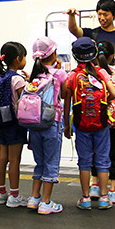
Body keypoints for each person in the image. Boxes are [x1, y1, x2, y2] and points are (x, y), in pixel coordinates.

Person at [66, 0, 115, 190]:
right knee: (98, 134)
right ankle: (98, 177)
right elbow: (75, 31)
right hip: (94, 96)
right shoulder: (93, 33)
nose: (101, 17)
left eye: (105, 14)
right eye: (99, 14)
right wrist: (72, 17)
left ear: (114, 14)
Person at [64, 37, 115, 210]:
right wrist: (105, 100)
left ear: (74, 56)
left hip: (81, 125)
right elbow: (114, 92)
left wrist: (67, 125)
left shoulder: (72, 76)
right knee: (103, 159)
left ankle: (86, 198)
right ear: (95, 53)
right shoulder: (101, 72)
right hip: (101, 123)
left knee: (84, 161)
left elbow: (67, 102)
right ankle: (104, 197)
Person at [26, 37, 68, 215]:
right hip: (53, 122)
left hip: (34, 124)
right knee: (51, 162)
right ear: (54, 54)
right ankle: (46, 202)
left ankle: (34, 198)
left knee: (40, 162)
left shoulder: (34, 74)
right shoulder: (59, 74)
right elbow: (65, 95)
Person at [0, 42, 30, 208]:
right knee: (15, 160)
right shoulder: (17, 79)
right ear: (18, 59)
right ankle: (14, 195)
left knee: (3, 157)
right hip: (15, 124)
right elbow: (25, 103)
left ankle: (0, 193)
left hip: (1, 122)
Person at [89, 40, 115, 204]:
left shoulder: (91, 71)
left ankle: (95, 186)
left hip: (98, 117)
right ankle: (112, 190)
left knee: (97, 151)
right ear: (113, 56)